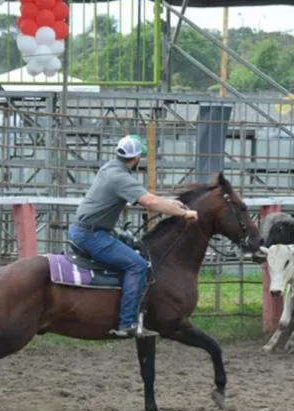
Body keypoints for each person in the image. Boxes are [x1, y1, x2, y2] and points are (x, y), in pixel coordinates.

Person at [66, 134, 199, 338]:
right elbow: (151, 202)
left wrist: (173, 205)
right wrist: (183, 213)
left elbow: (152, 199)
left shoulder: (110, 168)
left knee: (133, 248)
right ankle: (127, 323)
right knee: (137, 264)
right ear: (136, 159)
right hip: (92, 235)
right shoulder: (121, 178)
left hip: (86, 230)